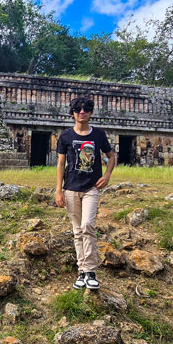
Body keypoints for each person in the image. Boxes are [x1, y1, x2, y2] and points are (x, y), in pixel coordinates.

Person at [55, 95, 116, 290]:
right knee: (77, 231)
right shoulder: (65, 136)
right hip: (71, 188)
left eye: (86, 109)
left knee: (87, 225)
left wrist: (107, 175)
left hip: (91, 188)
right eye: (78, 109)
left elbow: (111, 156)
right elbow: (61, 163)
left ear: (90, 112)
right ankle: (82, 271)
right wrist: (58, 190)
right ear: (72, 113)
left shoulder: (98, 135)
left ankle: (90, 270)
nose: (82, 112)